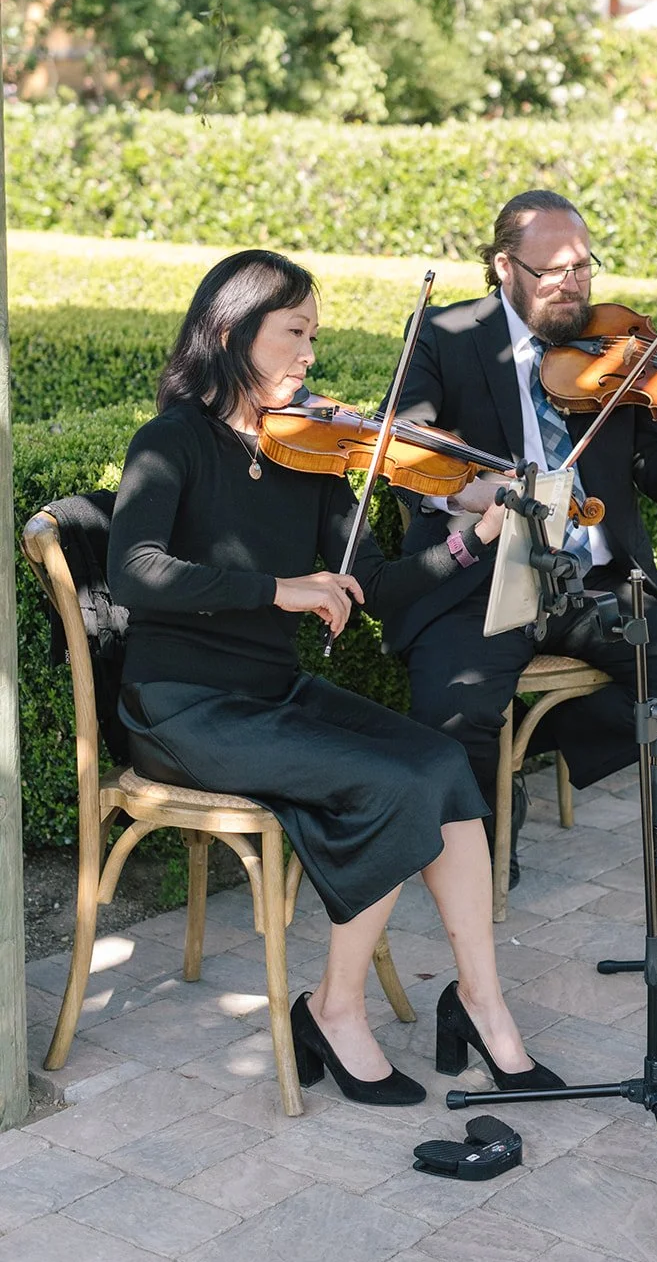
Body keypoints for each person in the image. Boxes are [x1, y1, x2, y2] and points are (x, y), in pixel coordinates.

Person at [107, 248, 563, 1106]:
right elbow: (134, 570)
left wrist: (472, 539)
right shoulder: (170, 441)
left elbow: (379, 587)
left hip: (273, 695)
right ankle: (334, 1008)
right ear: (232, 331)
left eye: (313, 334)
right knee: (393, 785)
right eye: (296, 333)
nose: (311, 354)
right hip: (183, 708)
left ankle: (481, 1001)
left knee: (441, 766)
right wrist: (278, 589)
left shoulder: (307, 452)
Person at [385, 189, 657, 879]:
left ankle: (535, 744)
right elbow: (408, 438)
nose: (571, 286)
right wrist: (472, 486)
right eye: (552, 272)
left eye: (582, 268)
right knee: (453, 709)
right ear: (503, 266)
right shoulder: (443, 334)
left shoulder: (616, 352)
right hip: (487, 572)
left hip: (592, 581)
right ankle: (485, 825)